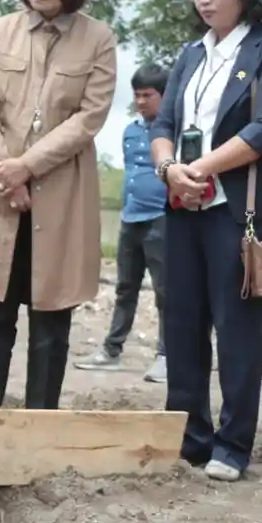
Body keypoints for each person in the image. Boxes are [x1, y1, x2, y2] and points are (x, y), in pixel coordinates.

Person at [150, 0, 262, 483]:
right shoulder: (190, 54)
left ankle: (233, 445)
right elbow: (162, 123)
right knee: (183, 323)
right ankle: (189, 437)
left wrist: (202, 169)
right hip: (184, 206)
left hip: (241, 211)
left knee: (237, 330)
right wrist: (172, 171)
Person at [0, 0, 117, 411]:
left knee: (51, 312)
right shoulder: (3, 31)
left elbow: (88, 119)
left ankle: (40, 417)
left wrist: (26, 167)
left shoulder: (99, 40)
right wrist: (4, 169)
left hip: (60, 195)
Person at [76, 64, 169, 382]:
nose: (142, 101)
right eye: (137, 95)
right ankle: (112, 350)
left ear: (164, 96)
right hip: (131, 218)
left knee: (165, 292)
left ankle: (166, 355)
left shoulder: (174, 130)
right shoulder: (130, 131)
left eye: (149, 95)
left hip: (163, 219)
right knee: (125, 288)